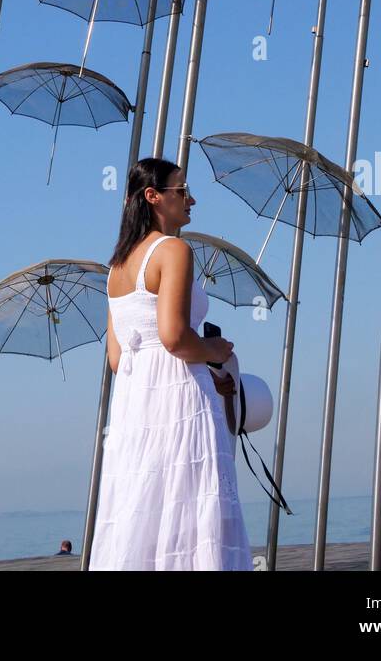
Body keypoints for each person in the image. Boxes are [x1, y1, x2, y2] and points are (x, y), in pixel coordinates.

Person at [88, 157, 253, 571]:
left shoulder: (116, 268)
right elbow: (175, 337)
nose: (191, 199)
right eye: (182, 190)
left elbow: (116, 356)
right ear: (154, 196)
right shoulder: (174, 250)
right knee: (192, 503)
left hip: (135, 404)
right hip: (181, 397)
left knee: (142, 506)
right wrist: (216, 354)